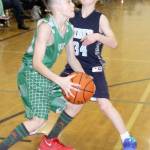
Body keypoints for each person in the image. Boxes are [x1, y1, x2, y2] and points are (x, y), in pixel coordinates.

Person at [38, 0, 137, 150]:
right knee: (73, 106)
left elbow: (114, 43)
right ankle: (49, 139)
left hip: (94, 68)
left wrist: (98, 36)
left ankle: (127, 139)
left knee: (104, 104)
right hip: (73, 66)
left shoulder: (100, 18)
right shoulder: (71, 15)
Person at [0, 0, 84, 149]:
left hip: (45, 75)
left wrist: (85, 77)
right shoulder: (46, 27)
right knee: (38, 121)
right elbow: (37, 63)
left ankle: (49, 141)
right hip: (30, 74)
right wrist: (60, 80)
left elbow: (72, 58)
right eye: (68, 2)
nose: (73, 4)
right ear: (56, 7)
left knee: (75, 102)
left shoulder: (69, 28)